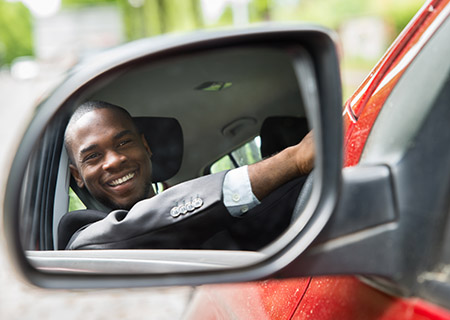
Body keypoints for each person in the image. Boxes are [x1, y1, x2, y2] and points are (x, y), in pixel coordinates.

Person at [59, 101, 314, 250]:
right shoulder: (83, 237)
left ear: (146, 147)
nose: (114, 161)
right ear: (77, 176)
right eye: (92, 156)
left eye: (124, 143)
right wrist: (294, 160)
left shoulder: (208, 219)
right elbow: (143, 224)